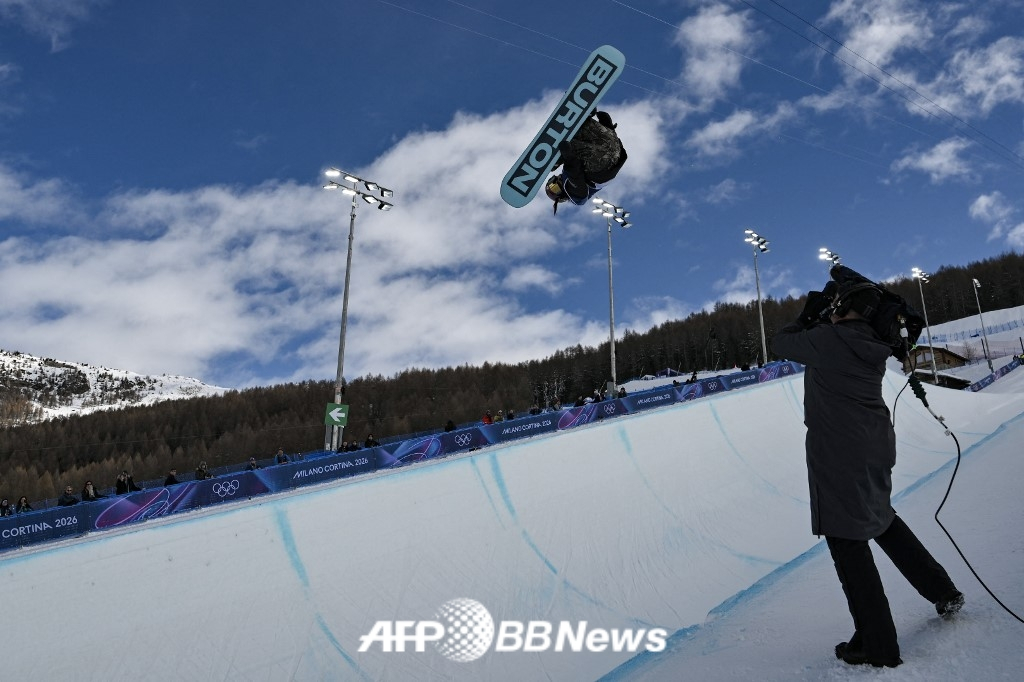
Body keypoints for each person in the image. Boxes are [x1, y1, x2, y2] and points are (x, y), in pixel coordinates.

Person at [771, 274, 964, 669]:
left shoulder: (827, 341)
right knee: (881, 519)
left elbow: (779, 343)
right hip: (875, 444)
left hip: (840, 454)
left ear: (847, 310)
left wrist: (806, 317)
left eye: (838, 304)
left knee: (847, 540)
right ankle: (943, 591)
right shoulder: (874, 342)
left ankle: (877, 645)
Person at [544, 110, 627, 213]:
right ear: (562, 196)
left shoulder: (567, 176)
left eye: (553, 181)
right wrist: (567, 156)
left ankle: (584, 119)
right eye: (555, 188)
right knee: (566, 145)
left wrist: (608, 128)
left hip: (613, 148)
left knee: (576, 134)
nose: (557, 182)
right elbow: (576, 176)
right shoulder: (575, 196)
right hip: (601, 163)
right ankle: (554, 158)